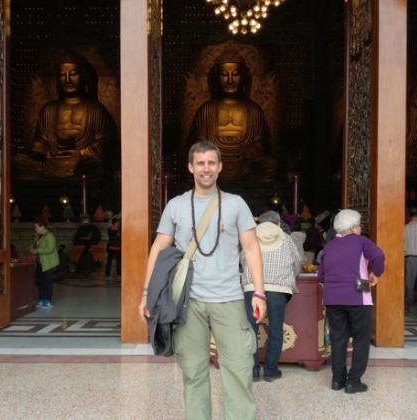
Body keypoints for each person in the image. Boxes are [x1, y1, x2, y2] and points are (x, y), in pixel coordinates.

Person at [138, 140, 267, 419]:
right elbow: (159, 248)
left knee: (238, 370)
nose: (206, 169)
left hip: (229, 299)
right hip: (189, 302)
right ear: (190, 167)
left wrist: (259, 292)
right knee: (193, 372)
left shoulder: (236, 204)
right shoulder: (176, 206)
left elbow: (251, 247)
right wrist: (147, 293)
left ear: (220, 167)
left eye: (211, 163)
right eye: (200, 163)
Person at [15, 50, 119, 179]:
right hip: (52, 159)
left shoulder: (94, 108)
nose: (68, 80)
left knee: (97, 165)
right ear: (57, 79)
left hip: (81, 162)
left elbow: (105, 141)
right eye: (62, 75)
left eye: (73, 74)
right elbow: (40, 137)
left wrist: (81, 153)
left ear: (84, 76)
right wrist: (39, 152)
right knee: (17, 163)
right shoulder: (48, 109)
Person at [317, 209, 385, 394]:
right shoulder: (362, 241)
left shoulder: (328, 246)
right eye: (360, 225)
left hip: (332, 298)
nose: (360, 228)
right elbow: (378, 256)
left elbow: (320, 275)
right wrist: (375, 273)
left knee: (338, 338)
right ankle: (353, 381)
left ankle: (337, 380)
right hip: (358, 296)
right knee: (361, 339)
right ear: (354, 227)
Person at [187, 49, 277, 181]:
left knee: (270, 165)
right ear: (216, 78)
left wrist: (246, 157)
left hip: (245, 164)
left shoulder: (253, 110)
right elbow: (197, 143)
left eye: (235, 74)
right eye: (224, 74)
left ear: (244, 77)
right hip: (212, 165)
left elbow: (261, 145)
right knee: (191, 166)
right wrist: (214, 158)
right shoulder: (206, 110)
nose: (230, 80)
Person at [241, 210, 301, 382]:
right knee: (275, 328)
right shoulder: (287, 239)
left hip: (253, 288)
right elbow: (296, 263)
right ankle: (270, 370)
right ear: (279, 224)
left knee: (251, 329)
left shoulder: (250, 237)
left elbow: (243, 260)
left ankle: (252, 370)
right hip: (278, 289)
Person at [29, 217, 59, 308]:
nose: (35, 229)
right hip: (39, 263)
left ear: (43, 227)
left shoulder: (49, 236)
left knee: (47, 282)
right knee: (40, 282)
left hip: (48, 263)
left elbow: (50, 248)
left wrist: (37, 251)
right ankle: (42, 299)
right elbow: (34, 245)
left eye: (37, 227)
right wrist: (31, 248)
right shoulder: (37, 236)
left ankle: (48, 300)